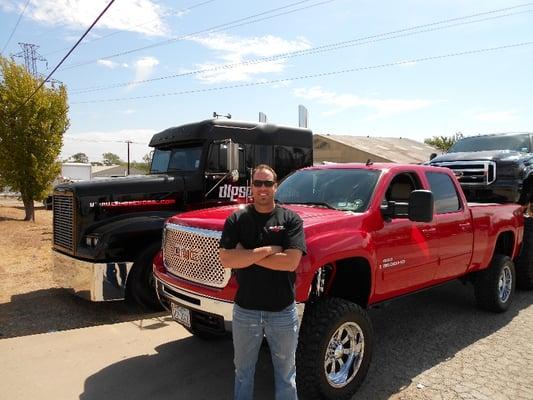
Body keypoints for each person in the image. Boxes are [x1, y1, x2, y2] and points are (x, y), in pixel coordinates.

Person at [219, 164, 306, 400]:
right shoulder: (237, 219)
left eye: (268, 183)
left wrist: (246, 256)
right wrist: (268, 250)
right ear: (251, 187)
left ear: (276, 186)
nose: (263, 188)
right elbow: (226, 259)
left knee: (287, 375)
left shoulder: (290, 220)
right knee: (243, 373)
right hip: (246, 311)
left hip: (282, 312)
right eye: (258, 183)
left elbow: (290, 262)